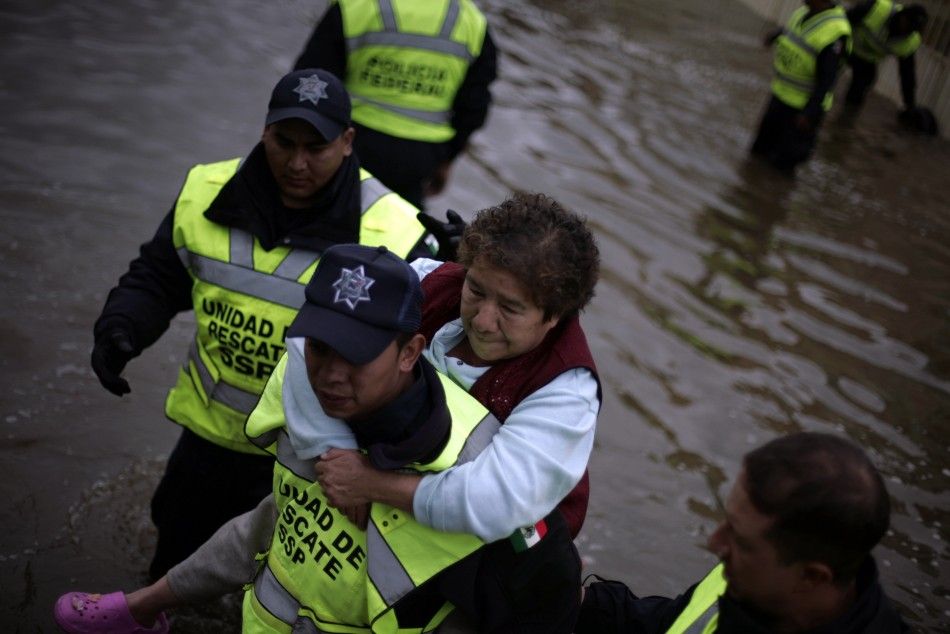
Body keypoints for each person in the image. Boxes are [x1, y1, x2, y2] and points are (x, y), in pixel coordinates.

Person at [62, 192, 602, 633]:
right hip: (376, 473)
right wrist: (336, 457)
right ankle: (142, 609)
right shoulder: (431, 279)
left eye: (510, 309)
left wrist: (373, 486)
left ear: (555, 316)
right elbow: (308, 342)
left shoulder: (568, 388)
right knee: (277, 515)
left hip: (483, 552)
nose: (483, 320)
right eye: (476, 290)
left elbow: (496, 501)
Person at [89, 67, 441, 581]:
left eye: (315, 148)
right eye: (284, 142)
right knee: (171, 570)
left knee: (286, 585)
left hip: (316, 454)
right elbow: (161, 276)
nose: (296, 163)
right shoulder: (203, 191)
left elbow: (423, 355)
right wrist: (122, 327)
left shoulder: (396, 229)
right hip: (210, 438)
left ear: (347, 142)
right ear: (264, 131)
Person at [574, 432, 910, 633]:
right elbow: (666, 626)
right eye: (727, 521)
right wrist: (578, 600)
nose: (715, 543)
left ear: (811, 577)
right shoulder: (748, 582)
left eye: (741, 540)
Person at [293, 0, 498, 209]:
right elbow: (474, 108)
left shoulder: (355, 6)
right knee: (401, 230)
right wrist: (447, 160)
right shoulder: (471, 21)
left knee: (320, 219)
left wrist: (300, 149)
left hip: (348, 141)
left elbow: (310, 85)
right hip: (418, 158)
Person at [750, 0, 852, 172]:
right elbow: (795, 34)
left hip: (802, 110)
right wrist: (776, 35)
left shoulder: (836, 32)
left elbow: (827, 80)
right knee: (758, 153)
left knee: (782, 167)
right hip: (780, 96)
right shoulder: (803, 13)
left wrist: (809, 113)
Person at [844, 1, 928, 117]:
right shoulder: (878, 9)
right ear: (903, 17)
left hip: (866, 61)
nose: (908, 32)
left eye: (913, 30)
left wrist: (910, 105)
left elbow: (907, 73)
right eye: (908, 26)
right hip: (847, 47)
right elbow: (844, 20)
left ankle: (847, 116)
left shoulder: (910, 41)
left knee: (862, 86)